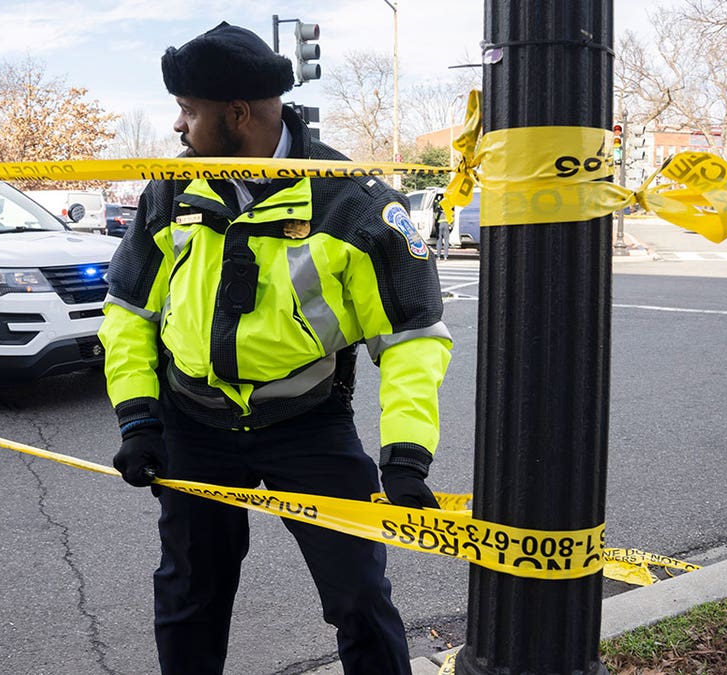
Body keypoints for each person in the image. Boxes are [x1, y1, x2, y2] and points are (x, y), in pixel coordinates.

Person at [98, 21, 452, 675]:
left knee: (360, 598)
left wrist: (406, 459)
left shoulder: (353, 205)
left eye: (188, 111)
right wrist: (139, 418)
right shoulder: (171, 191)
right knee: (188, 597)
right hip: (192, 422)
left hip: (307, 423)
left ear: (238, 114)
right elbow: (127, 313)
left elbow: (412, 338)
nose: (179, 128)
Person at [431, 192, 452, 261]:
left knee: (439, 240)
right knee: (446, 241)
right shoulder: (449, 209)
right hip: (446, 225)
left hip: (440, 225)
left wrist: (435, 226)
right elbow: (452, 218)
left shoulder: (438, 210)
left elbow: (435, 218)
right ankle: (445, 257)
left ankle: (438, 256)